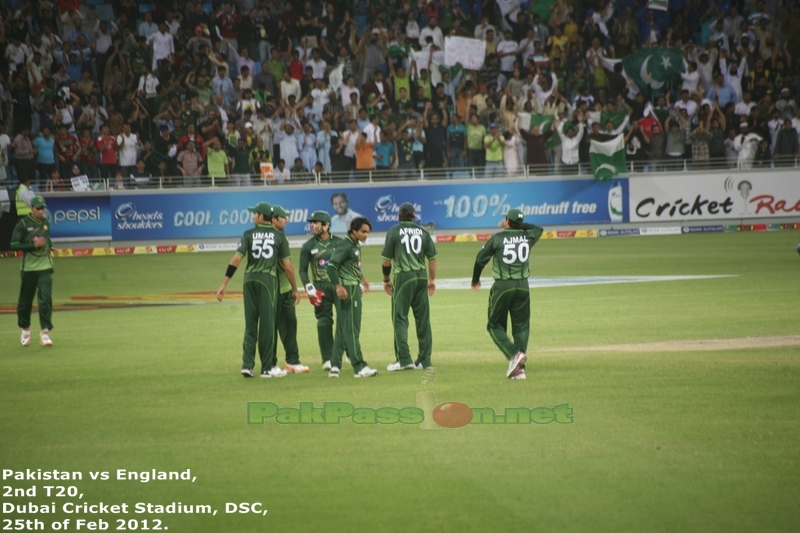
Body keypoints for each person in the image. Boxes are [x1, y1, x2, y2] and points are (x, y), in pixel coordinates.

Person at [216, 202, 298, 378]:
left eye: (254, 214)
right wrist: (295, 289)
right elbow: (288, 267)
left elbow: (236, 259)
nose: (252, 217)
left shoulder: (248, 234)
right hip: (267, 280)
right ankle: (267, 368)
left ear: (261, 216)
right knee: (267, 326)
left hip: (249, 279)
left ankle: (247, 365)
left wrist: (224, 284)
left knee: (250, 325)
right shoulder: (280, 237)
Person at [470, 209, 544, 380]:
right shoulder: (528, 236)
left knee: (494, 325)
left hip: (503, 286)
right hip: (523, 286)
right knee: (521, 327)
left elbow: (480, 259)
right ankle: (520, 370)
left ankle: (514, 355)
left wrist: (475, 279)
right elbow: (538, 229)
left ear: (507, 222)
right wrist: (519, 225)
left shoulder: (498, 238)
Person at [381, 203, 438, 371]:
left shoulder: (393, 231)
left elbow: (386, 260)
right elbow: (432, 258)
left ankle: (404, 359)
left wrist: (386, 279)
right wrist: (431, 279)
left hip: (403, 277)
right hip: (421, 276)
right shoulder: (423, 232)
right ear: (414, 215)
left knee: (400, 318)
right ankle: (425, 360)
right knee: (423, 320)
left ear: (399, 215)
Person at [325, 217, 379, 378]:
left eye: (368, 232)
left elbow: (350, 265)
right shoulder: (346, 245)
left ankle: (335, 366)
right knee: (352, 329)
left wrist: (361, 278)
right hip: (348, 289)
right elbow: (332, 266)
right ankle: (359, 366)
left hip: (352, 285)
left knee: (342, 328)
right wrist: (338, 285)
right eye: (363, 231)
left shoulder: (354, 244)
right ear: (353, 230)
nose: (366, 235)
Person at [299, 210, 343, 370]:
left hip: (339, 286)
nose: (312, 225)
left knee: (344, 321)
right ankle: (328, 358)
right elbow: (302, 270)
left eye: (316, 223)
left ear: (326, 226)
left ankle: (350, 353)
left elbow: (350, 264)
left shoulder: (340, 243)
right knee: (324, 321)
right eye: (312, 223)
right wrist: (309, 287)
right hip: (320, 287)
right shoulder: (308, 246)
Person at [268, 205, 307, 373]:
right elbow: (287, 267)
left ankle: (292, 361)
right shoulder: (274, 237)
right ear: (274, 219)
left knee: (290, 324)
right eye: (283, 217)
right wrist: (295, 288)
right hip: (272, 290)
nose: (287, 220)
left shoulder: (282, 236)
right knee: (272, 327)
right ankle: (270, 363)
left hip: (284, 290)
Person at [11, 196, 55, 347]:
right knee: (25, 302)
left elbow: (47, 238)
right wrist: (33, 245)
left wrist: (50, 245)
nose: (41, 211)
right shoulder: (23, 223)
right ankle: (25, 330)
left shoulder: (45, 222)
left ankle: (45, 332)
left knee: (45, 299)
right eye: (38, 208)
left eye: (42, 208)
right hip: (29, 268)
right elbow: (14, 245)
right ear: (31, 208)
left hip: (45, 266)